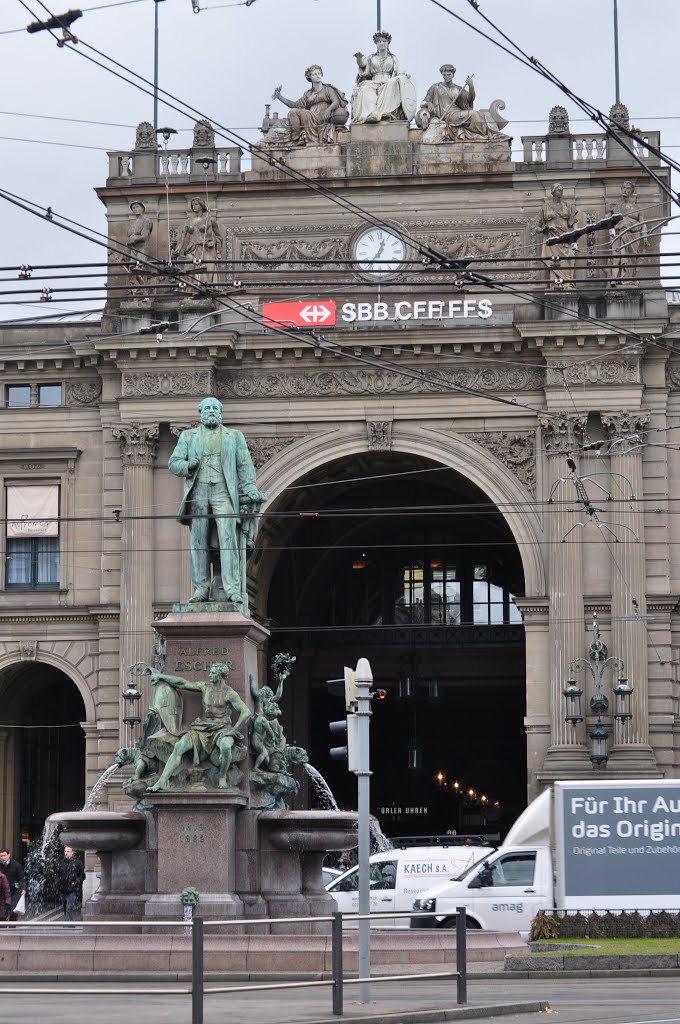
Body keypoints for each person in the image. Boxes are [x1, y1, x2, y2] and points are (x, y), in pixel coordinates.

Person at [168, 396, 266, 604]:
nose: (211, 411)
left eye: (215, 408)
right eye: (207, 408)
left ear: (220, 413)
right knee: (198, 542)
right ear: (200, 413)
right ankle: (201, 589)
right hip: (198, 492)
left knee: (227, 539)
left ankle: (232, 589)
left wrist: (250, 488)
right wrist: (188, 466)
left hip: (224, 492)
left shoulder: (234, 436)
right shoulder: (188, 436)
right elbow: (173, 463)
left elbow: (245, 466)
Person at [145, 661, 251, 792]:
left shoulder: (230, 693)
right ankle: (161, 781)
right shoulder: (205, 687)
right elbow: (182, 683)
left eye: (213, 673)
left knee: (226, 746)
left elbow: (246, 712)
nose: (210, 675)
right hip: (202, 727)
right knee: (179, 746)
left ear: (220, 676)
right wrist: (162, 677)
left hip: (222, 728)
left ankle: (222, 777)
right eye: (210, 672)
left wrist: (233, 731)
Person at [417, 65, 507, 144]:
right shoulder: (435, 87)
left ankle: (493, 134)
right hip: (447, 116)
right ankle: (491, 134)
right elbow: (424, 102)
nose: (446, 77)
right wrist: (428, 106)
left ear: (453, 75)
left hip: (456, 113)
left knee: (481, 114)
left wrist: (471, 86)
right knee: (473, 114)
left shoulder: (458, 89)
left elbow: (469, 100)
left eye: (449, 75)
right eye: (444, 75)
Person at [267, 65, 348, 146]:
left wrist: (328, 110)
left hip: (322, 116)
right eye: (314, 74)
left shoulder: (328, 89)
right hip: (310, 116)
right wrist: (280, 97)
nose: (318, 76)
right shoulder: (308, 93)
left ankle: (295, 139)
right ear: (310, 77)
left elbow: (336, 102)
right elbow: (295, 105)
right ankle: (293, 138)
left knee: (294, 112)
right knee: (287, 117)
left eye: (319, 73)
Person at [351, 31, 416, 125]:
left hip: (388, 81)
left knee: (392, 82)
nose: (381, 43)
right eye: (379, 41)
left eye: (384, 41)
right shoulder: (371, 58)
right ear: (376, 44)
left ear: (388, 43)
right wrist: (359, 58)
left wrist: (405, 74)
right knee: (365, 89)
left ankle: (384, 113)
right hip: (374, 82)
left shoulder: (393, 58)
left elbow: (400, 71)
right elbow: (362, 65)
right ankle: (371, 114)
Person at [537, 182, 579, 287]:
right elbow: (536, 227)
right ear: (553, 192)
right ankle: (555, 284)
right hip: (552, 239)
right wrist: (544, 229)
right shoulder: (545, 207)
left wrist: (575, 241)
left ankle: (567, 283)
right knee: (554, 260)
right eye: (559, 190)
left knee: (569, 257)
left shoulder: (568, 206)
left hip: (565, 238)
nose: (561, 192)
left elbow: (574, 225)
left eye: (562, 190)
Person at [178, 197, 223, 285]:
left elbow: (220, 237)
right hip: (192, 249)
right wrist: (177, 249)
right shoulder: (189, 221)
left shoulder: (210, 220)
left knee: (207, 274)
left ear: (201, 205)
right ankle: (192, 291)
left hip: (207, 249)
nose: (194, 206)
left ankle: (207, 291)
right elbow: (182, 238)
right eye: (192, 205)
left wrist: (214, 241)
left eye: (196, 204)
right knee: (191, 271)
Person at [608, 180, 644, 283]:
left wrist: (644, 236)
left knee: (629, 258)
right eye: (623, 187)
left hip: (632, 235)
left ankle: (627, 278)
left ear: (632, 191)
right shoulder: (614, 205)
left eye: (628, 188)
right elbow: (608, 221)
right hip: (618, 234)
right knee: (616, 256)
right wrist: (611, 230)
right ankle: (614, 279)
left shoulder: (637, 207)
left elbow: (642, 223)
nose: (625, 190)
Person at [124, 200, 153, 297]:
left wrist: (134, 240)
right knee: (132, 271)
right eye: (133, 208)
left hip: (142, 249)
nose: (135, 209)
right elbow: (129, 238)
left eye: (137, 207)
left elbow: (145, 236)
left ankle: (145, 294)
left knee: (139, 270)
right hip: (133, 250)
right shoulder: (132, 224)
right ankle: (136, 292)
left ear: (142, 208)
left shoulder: (146, 220)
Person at [58, 846, 85, 921]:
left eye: (68, 851)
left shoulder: (78, 862)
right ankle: (69, 923)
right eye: (65, 851)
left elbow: (82, 876)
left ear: (72, 852)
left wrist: (75, 882)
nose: (66, 853)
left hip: (72, 890)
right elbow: (58, 875)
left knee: (69, 907)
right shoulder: (61, 862)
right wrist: (59, 884)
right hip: (63, 889)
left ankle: (68, 925)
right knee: (65, 907)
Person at [0, 847, 25, 922]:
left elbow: (21, 878)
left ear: (8, 855)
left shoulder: (16, 865)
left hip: (14, 891)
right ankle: (3, 931)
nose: (2, 858)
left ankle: (12, 930)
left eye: (4, 855)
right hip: (3, 893)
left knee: (13, 912)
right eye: (1, 856)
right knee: (2, 913)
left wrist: (23, 888)